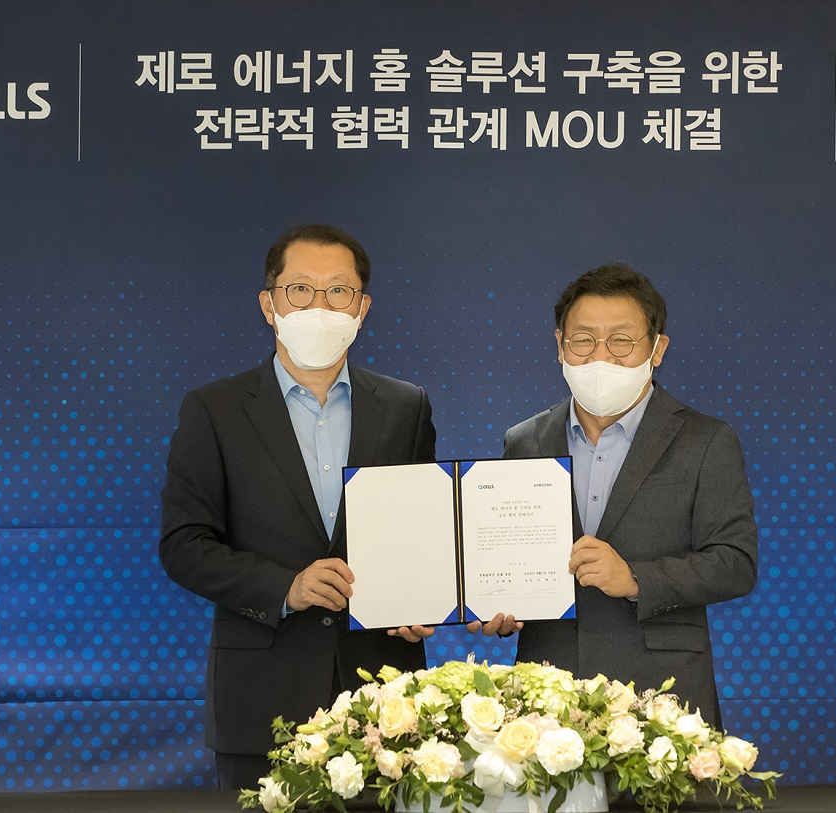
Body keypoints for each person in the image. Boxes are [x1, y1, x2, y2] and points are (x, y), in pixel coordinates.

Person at [159, 224, 435, 790]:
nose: (320, 305)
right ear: (269, 304)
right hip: (263, 700)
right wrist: (286, 587)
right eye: (300, 289)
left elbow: (419, 531)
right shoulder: (215, 409)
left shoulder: (406, 406)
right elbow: (184, 545)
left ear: (363, 308)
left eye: (339, 291)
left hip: (386, 701)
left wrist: (422, 599)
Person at [471, 263, 757, 729]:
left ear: (657, 349)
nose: (601, 356)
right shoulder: (525, 440)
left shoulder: (706, 440)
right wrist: (496, 605)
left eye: (621, 340)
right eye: (583, 340)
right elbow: (512, 556)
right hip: (547, 693)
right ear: (560, 346)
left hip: (661, 696)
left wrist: (636, 578)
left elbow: (735, 563)